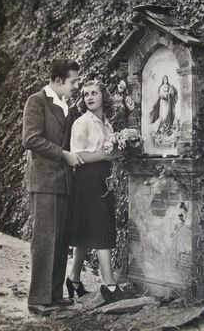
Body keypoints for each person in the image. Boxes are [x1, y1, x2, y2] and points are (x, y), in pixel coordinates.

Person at [22, 59, 84, 315]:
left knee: (59, 240)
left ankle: (54, 295)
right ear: (58, 81)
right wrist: (64, 154)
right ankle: (38, 299)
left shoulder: (66, 106)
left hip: (63, 183)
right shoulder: (36, 101)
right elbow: (30, 139)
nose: (77, 86)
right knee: (46, 239)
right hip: (45, 181)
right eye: (74, 82)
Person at [66, 80, 125, 304]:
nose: (89, 97)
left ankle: (73, 280)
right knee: (102, 225)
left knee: (86, 229)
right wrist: (102, 155)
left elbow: (109, 154)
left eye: (94, 93)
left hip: (103, 178)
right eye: (86, 94)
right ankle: (109, 283)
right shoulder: (82, 122)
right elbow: (77, 156)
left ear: (103, 96)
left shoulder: (107, 124)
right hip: (86, 179)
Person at [150, 75, 179, 145]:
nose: (165, 80)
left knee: (169, 114)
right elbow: (161, 95)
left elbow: (172, 94)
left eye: (166, 79)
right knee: (164, 115)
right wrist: (167, 94)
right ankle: (162, 128)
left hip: (168, 103)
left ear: (167, 80)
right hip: (163, 103)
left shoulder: (169, 86)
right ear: (163, 80)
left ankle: (168, 127)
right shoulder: (162, 87)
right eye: (164, 79)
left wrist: (172, 92)